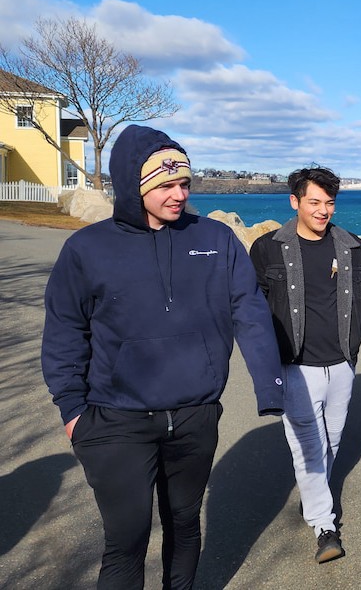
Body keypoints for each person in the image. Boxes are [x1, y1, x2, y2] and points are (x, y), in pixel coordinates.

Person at [41, 125, 285, 589]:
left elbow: (249, 309)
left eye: (184, 184)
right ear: (136, 185)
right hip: (116, 419)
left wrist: (270, 384)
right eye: (165, 185)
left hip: (194, 415)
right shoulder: (87, 250)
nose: (179, 195)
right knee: (127, 538)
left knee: (185, 524)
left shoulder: (215, 238)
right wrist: (72, 411)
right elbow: (64, 332)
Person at [249, 166, 361, 563]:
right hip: (295, 366)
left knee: (332, 439)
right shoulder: (268, 247)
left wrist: (359, 331)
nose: (323, 211)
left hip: (341, 362)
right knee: (309, 443)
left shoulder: (351, 246)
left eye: (330, 203)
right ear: (295, 202)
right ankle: (325, 525)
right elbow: (252, 304)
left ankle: (313, 497)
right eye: (315, 202)